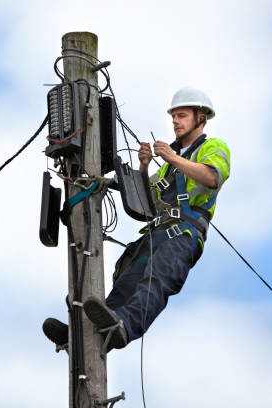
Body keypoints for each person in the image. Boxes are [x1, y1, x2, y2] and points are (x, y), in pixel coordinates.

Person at [43, 87, 231, 352]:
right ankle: (82, 337)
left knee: (153, 282)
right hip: (156, 234)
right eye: (174, 116)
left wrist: (172, 157)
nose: (175, 121)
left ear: (201, 118)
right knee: (125, 285)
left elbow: (212, 177)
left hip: (184, 236)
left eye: (182, 115)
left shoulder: (212, 148)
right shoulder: (168, 164)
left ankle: (125, 328)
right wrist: (144, 166)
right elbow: (146, 203)